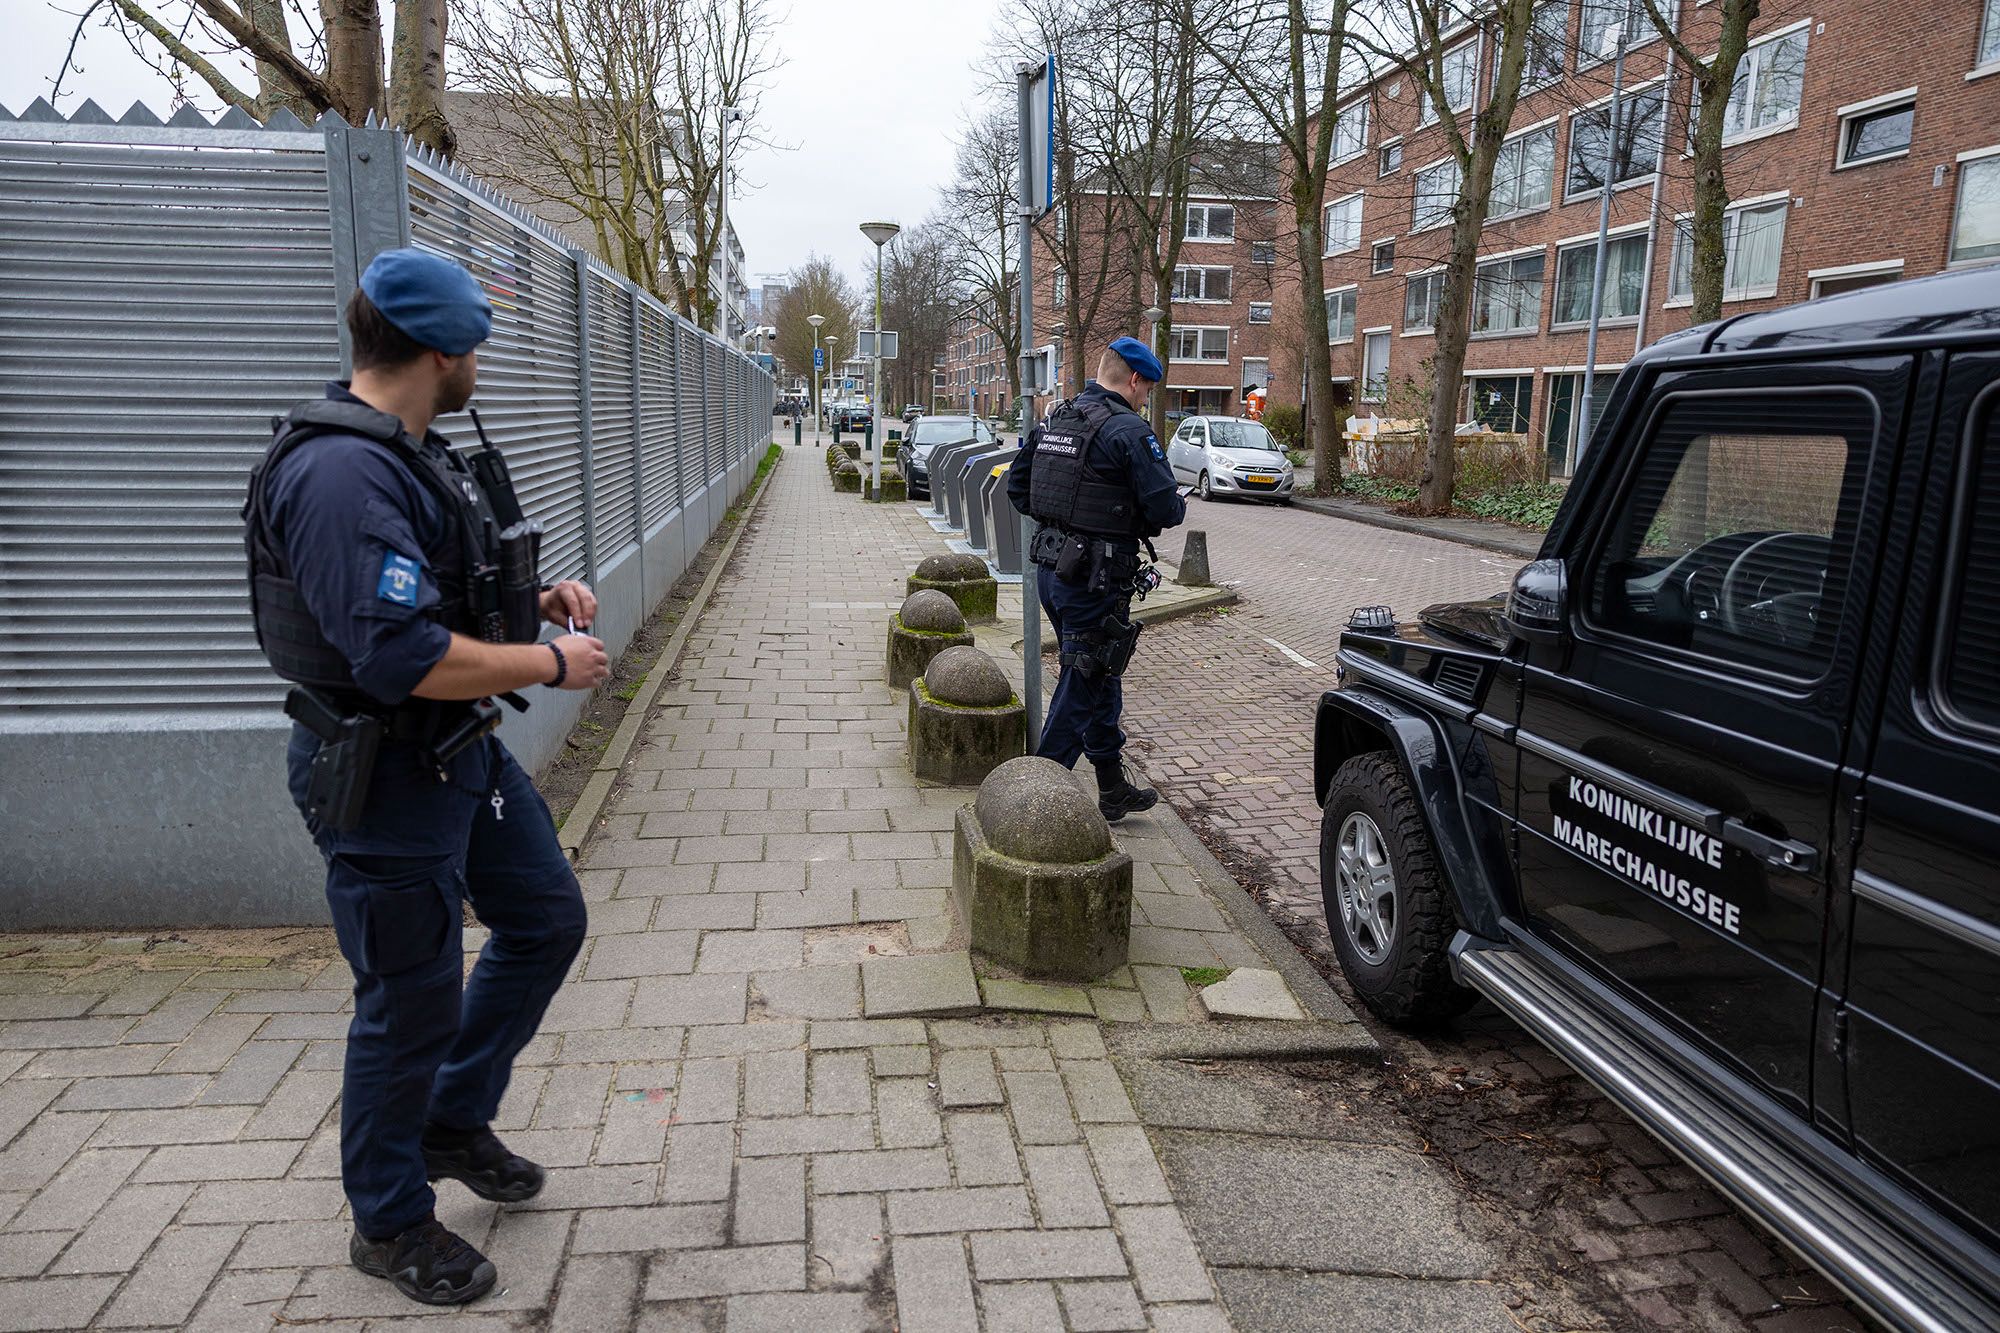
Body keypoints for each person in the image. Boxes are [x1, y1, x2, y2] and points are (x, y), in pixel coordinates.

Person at [242, 248, 610, 1307]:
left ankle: (452, 1116)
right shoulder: (338, 474)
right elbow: (396, 652)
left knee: (543, 919)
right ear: (443, 352)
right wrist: (549, 666)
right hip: (382, 771)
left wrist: (533, 600)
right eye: (478, 345)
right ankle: (390, 1219)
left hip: (454, 751)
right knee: (407, 1002)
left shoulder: (407, 451)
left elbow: (436, 583)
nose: (480, 362)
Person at [1007, 335, 1185, 821]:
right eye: (1146, 388)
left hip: (1052, 570)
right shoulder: (1128, 429)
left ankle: (1111, 787)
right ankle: (1032, 802)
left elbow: (1019, 490)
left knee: (1102, 673)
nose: (1145, 396)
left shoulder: (1058, 418)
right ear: (1133, 380)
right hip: (1096, 578)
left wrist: (1066, 519)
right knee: (1084, 679)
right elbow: (1167, 508)